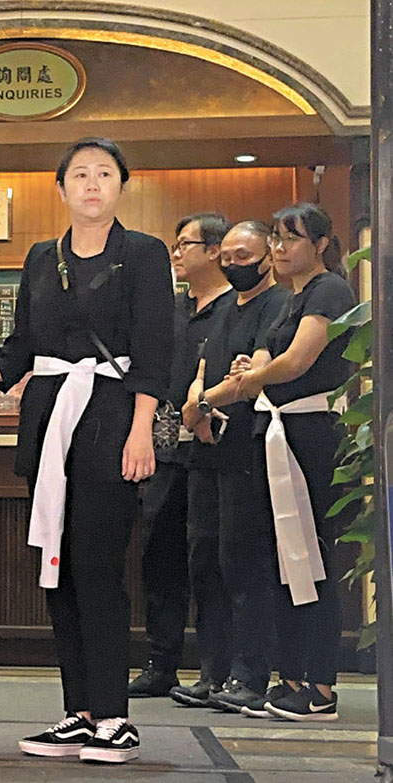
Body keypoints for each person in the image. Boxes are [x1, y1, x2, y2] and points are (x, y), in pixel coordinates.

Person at [0, 138, 173, 764]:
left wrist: (142, 429)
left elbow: (155, 350)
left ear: (121, 186)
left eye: (104, 174)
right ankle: (78, 712)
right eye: (79, 174)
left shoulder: (144, 254)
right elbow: (21, 345)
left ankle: (113, 715)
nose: (91, 184)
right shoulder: (40, 256)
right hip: (49, 420)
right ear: (61, 189)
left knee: (98, 567)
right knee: (57, 568)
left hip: (112, 417)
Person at [232, 203, 354, 722]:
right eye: (275, 239)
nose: (280, 249)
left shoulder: (330, 290)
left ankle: (320, 685)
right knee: (280, 559)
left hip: (311, 433)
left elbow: (297, 361)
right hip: (277, 430)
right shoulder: (289, 299)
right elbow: (266, 356)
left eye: (292, 238)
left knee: (313, 557)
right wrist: (254, 371)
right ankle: (291, 679)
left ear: (321, 244)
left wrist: (253, 378)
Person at [179, 221, 290, 713]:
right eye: (226, 257)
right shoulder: (224, 308)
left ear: (267, 255)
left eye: (243, 256)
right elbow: (204, 373)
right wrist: (198, 406)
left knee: (243, 563)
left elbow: (249, 379)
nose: (233, 265)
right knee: (205, 560)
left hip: (248, 449)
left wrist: (202, 403)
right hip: (206, 451)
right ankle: (214, 673)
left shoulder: (277, 305)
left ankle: (250, 674)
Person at [129, 213, 234, 699]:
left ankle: (217, 670)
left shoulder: (235, 306)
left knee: (209, 559)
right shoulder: (170, 308)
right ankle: (161, 661)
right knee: (159, 556)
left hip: (214, 447)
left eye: (185, 244)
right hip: (165, 446)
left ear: (215, 251)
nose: (176, 253)